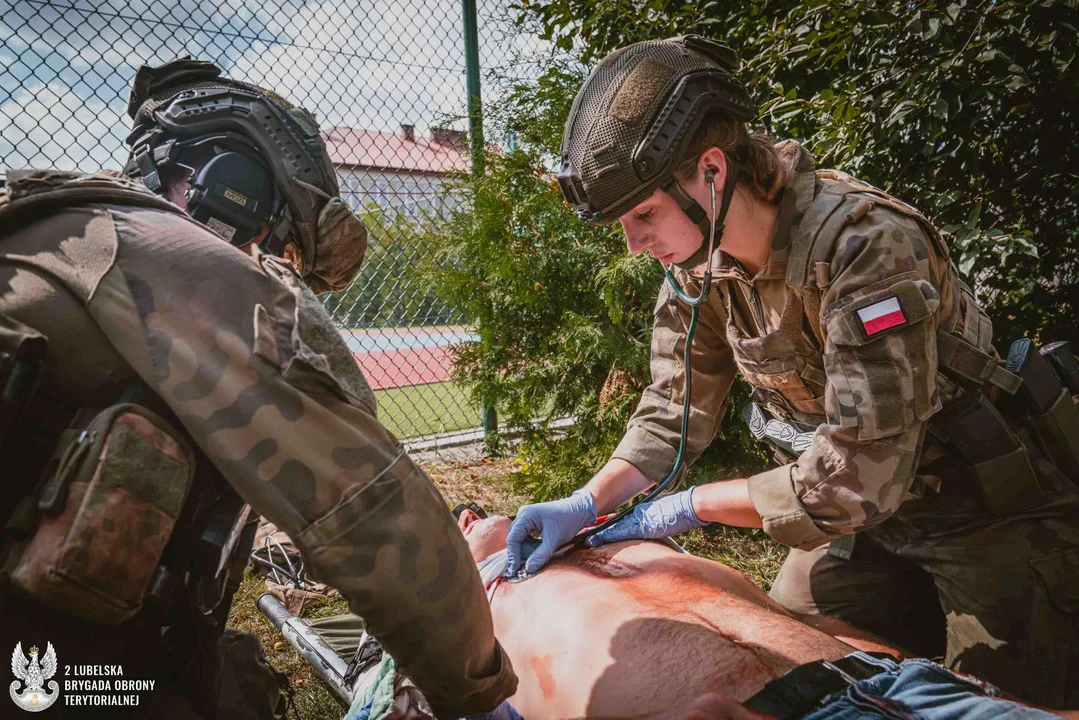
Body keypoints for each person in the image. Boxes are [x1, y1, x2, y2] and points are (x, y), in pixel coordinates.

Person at [506, 34, 1079, 708]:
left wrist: (687, 508)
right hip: (869, 523)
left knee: (995, 704)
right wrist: (589, 501)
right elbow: (671, 409)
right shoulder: (699, 271)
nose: (634, 244)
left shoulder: (864, 247)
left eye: (643, 214)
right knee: (787, 666)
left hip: (986, 514)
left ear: (711, 173)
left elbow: (853, 480)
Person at [0, 58, 516, 718]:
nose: (271, 264)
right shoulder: (168, 251)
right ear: (230, 189)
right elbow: (370, 510)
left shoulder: (57, 227)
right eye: (276, 239)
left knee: (225, 673)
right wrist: (479, 692)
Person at [463, 508, 1075, 719]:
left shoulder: (629, 543)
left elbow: (801, 626)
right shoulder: (464, 613)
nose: (467, 514)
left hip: (901, 689)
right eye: (455, 520)